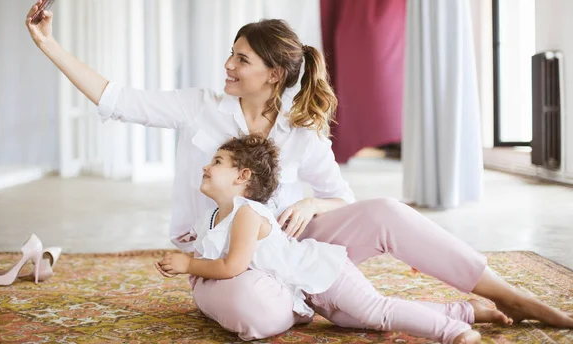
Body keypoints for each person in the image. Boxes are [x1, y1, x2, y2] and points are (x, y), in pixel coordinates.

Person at [26, 0, 573, 341]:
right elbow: (118, 98)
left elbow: (342, 196)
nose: (228, 66)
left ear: (275, 72)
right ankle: (363, 304)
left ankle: (505, 294)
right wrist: (48, 42)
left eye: (241, 58)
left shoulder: (300, 127)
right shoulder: (199, 107)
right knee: (257, 318)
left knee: (385, 211)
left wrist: (314, 203)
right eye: (231, 54)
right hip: (223, 260)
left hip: (292, 241)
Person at [155, 134, 515, 343]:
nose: (206, 166)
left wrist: (188, 263)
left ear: (242, 176)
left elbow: (232, 265)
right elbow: (215, 254)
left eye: (217, 161)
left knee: (378, 310)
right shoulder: (213, 217)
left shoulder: (247, 213)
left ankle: (452, 332)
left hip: (324, 273)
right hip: (309, 291)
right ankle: (466, 312)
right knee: (364, 320)